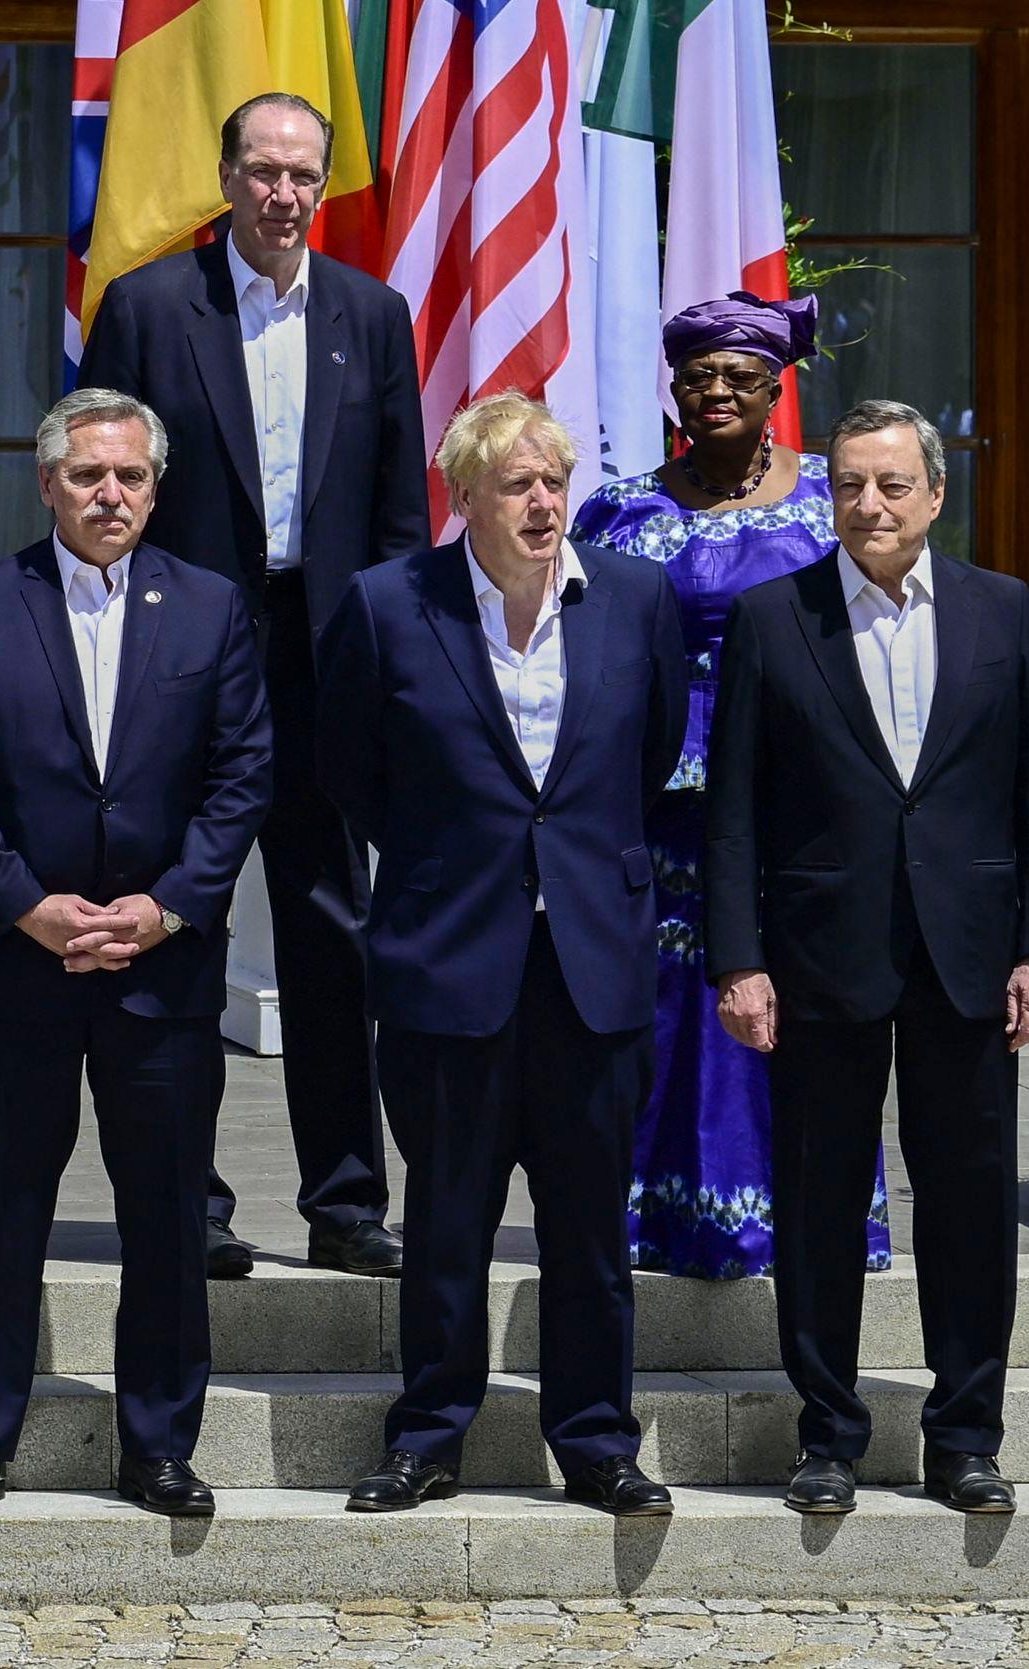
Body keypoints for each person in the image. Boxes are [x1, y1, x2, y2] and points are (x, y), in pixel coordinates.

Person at [0, 388, 272, 1520]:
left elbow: (243, 774)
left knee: (163, 1217)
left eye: (130, 477)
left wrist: (166, 908)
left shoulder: (210, 608)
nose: (109, 495)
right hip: (18, 965)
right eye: (87, 475)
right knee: (1, 1204)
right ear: (47, 482)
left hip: (160, 969)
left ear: (155, 489)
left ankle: (157, 1444)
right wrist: (24, 904)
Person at [73, 92, 425, 1281]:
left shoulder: (372, 317)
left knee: (336, 932)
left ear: (322, 187)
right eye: (262, 171)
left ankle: (344, 1202)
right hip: (192, 658)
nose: (282, 195)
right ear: (224, 177)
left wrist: (401, 664)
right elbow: (104, 485)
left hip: (329, 658)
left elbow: (395, 512)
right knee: (185, 930)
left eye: (302, 175)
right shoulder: (149, 306)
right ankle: (191, 1200)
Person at [708, 399, 1029, 1517]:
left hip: (968, 962)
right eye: (848, 485)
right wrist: (739, 960)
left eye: (889, 484)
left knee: (969, 1208)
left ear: (933, 493)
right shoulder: (776, 618)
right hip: (819, 961)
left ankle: (965, 1435)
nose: (867, 505)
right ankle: (826, 1435)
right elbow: (734, 810)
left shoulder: (998, 611)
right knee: (819, 1203)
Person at [322, 391, 686, 1517]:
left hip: (593, 965)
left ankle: (594, 1443)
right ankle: (428, 1435)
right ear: (463, 496)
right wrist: (450, 869)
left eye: (553, 481)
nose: (541, 502)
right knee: (445, 1222)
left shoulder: (632, 598)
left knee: (587, 1232)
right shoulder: (389, 605)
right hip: (449, 960)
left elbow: (654, 749)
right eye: (516, 484)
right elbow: (350, 769)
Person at [572, 291, 876, 1280]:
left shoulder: (832, 497)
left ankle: (814, 1215)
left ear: (775, 388)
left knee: (797, 1003)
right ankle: (648, 1216)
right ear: (673, 388)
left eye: (737, 377)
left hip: (798, 800)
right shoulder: (620, 511)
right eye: (697, 376)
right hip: (657, 801)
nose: (714, 392)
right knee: (664, 1006)